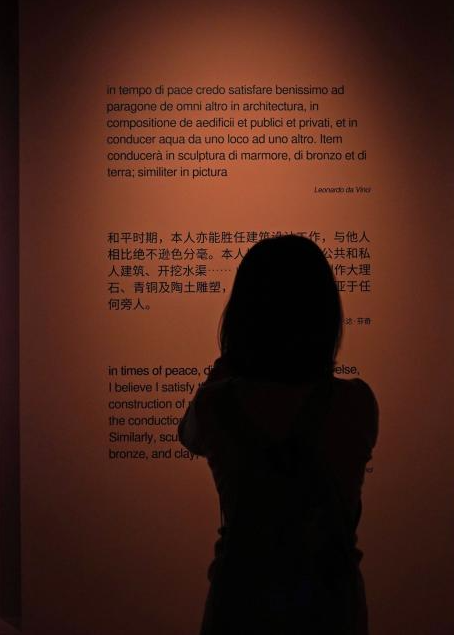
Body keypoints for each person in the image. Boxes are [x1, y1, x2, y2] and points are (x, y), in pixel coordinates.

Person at [179, 234, 379, 635]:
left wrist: (228, 362)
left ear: (243, 314)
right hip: (332, 604)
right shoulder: (356, 402)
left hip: (240, 602)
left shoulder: (216, 404)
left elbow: (189, 436)